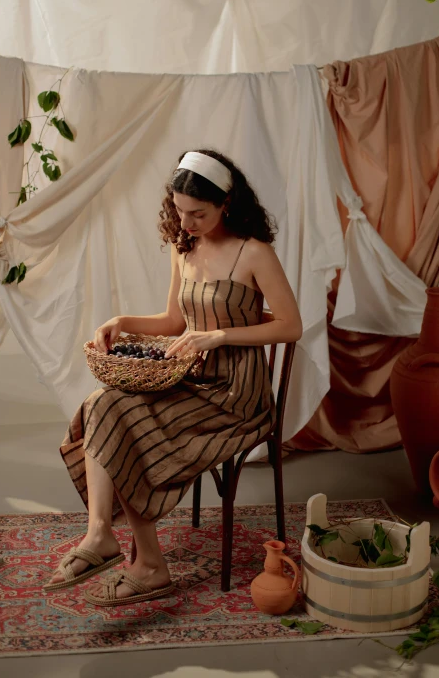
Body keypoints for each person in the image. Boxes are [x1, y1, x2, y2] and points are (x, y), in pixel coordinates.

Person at [44, 149, 302, 606]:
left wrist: (219, 336)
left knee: (131, 423)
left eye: (197, 213)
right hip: (189, 377)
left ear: (227, 202)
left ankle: (148, 566)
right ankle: (102, 534)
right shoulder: (185, 247)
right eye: (179, 211)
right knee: (103, 403)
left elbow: (290, 326)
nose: (185, 223)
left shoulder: (254, 252)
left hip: (236, 392)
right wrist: (122, 320)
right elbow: (172, 321)